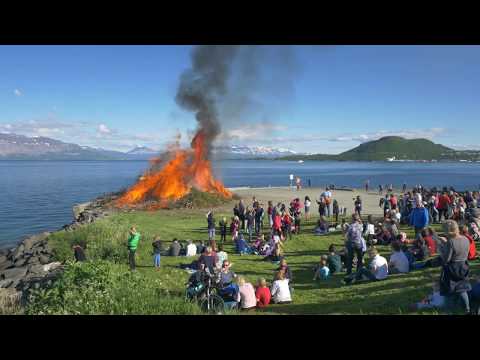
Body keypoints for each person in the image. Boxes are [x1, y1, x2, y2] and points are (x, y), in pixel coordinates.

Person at [439, 220, 471, 314]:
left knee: (448, 291)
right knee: (462, 289)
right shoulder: (465, 238)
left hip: (452, 268)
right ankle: (467, 309)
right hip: (463, 266)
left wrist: (441, 247)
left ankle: (448, 312)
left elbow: (446, 259)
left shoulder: (451, 242)